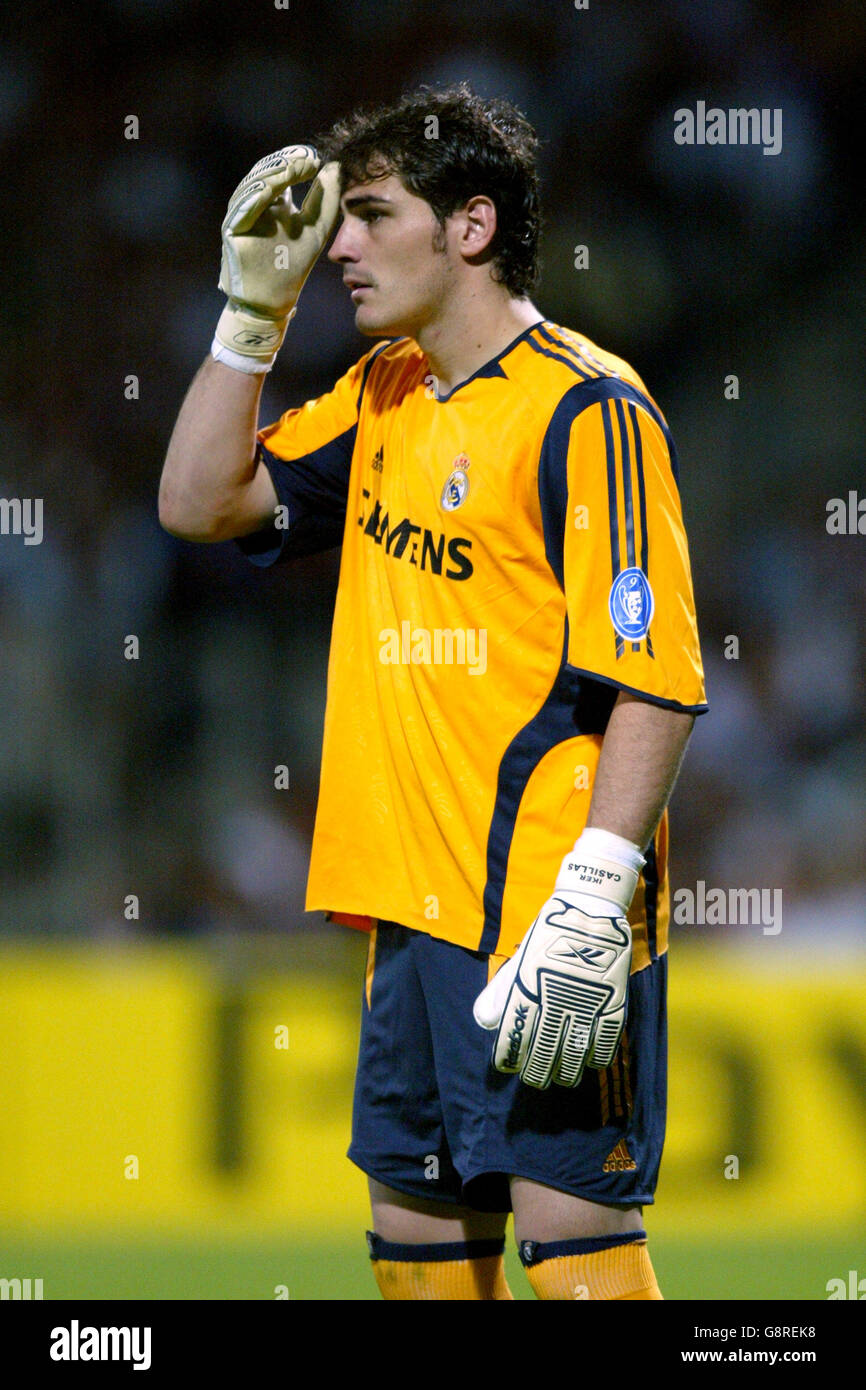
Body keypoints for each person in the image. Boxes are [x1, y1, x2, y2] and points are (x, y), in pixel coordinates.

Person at [159, 84, 707, 1301]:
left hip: (541, 919)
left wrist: (594, 897)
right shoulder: (381, 395)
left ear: (467, 227)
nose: (335, 246)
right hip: (405, 920)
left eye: (366, 214)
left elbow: (658, 676)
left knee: (581, 1270)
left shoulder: (590, 407)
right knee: (418, 1279)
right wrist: (250, 317)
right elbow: (200, 502)